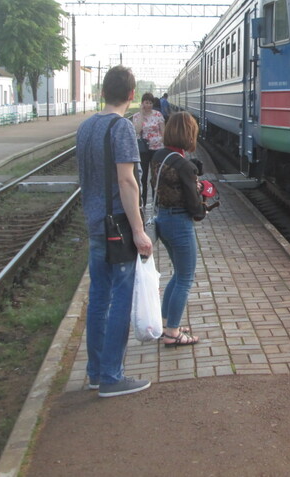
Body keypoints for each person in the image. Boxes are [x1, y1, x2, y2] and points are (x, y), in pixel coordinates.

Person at [76, 65, 153, 397]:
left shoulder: (86, 126)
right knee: (121, 299)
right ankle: (111, 376)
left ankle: (95, 372)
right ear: (132, 95)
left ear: (102, 92)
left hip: (95, 224)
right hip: (117, 227)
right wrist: (139, 230)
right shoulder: (121, 128)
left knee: (99, 300)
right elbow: (127, 180)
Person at [150, 111, 206, 347]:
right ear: (188, 134)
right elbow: (194, 205)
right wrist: (201, 201)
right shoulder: (184, 165)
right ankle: (172, 333)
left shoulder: (159, 157)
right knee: (186, 277)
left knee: (178, 273)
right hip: (180, 223)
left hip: (163, 219)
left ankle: (165, 323)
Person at [131, 92, 166, 207]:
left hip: (157, 149)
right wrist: (141, 113)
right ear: (142, 103)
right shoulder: (136, 116)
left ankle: (156, 203)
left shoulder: (158, 115)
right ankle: (143, 202)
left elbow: (163, 131)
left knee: (156, 176)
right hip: (143, 150)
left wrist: (161, 141)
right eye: (146, 102)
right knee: (143, 176)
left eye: (151, 103)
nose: (149, 105)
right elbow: (137, 130)